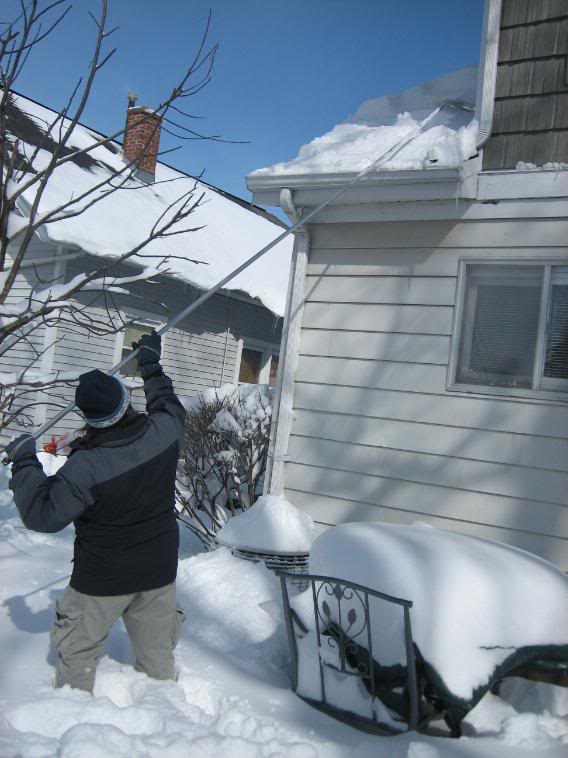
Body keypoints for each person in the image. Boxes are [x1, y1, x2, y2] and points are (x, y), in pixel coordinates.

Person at [6, 331, 186, 693]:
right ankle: (165, 721)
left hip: (101, 582)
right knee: (158, 664)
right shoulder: (165, 431)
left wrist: (25, 462)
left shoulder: (85, 468)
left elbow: (43, 515)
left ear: (91, 419)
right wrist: (150, 361)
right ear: (126, 402)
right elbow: (166, 401)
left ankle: (77, 723)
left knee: (77, 662)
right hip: (158, 570)